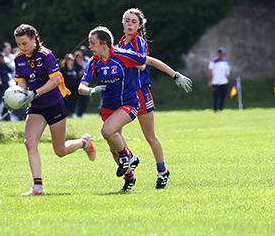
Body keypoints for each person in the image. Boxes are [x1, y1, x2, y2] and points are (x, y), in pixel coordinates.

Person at [78, 26, 192, 191]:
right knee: (113, 149)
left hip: (128, 103)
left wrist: (175, 75)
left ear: (104, 44)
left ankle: (131, 158)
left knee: (107, 131)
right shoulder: (94, 61)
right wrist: (89, 90)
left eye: (92, 43)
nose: (90, 47)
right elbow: (81, 86)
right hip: (108, 106)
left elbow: (150, 61)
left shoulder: (122, 55)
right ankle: (129, 176)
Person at [13, 24, 97, 196]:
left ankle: (84, 143)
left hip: (54, 103)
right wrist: (18, 96)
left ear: (34, 40)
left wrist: (34, 92)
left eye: (24, 43)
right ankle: (38, 187)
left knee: (60, 151)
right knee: (29, 142)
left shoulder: (46, 55)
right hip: (36, 106)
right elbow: (21, 82)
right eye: (19, 44)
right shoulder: (19, 59)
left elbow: (55, 81)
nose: (22, 48)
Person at [118, 8, 170, 188]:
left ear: (140, 25)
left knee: (149, 136)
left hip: (141, 92)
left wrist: (124, 59)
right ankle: (130, 157)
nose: (130, 24)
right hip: (125, 93)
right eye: (127, 21)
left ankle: (162, 171)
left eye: (133, 21)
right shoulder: (121, 42)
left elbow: (141, 65)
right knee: (113, 131)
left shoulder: (138, 42)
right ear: (122, 23)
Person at [208, 47, 230, 112]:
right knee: (215, 97)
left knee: (222, 97)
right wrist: (210, 80)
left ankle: (221, 109)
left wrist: (227, 79)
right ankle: (215, 109)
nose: (222, 55)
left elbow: (227, 71)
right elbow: (210, 71)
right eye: (221, 54)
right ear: (218, 54)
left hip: (224, 82)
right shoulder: (213, 61)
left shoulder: (225, 61)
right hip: (216, 82)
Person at [73, 50, 89, 117]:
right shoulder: (74, 65)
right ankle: (75, 112)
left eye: (81, 57)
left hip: (84, 84)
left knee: (85, 98)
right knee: (76, 99)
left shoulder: (84, 63)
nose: (80, 58)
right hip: (76, 84)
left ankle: (82, 112)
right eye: (79, 57)